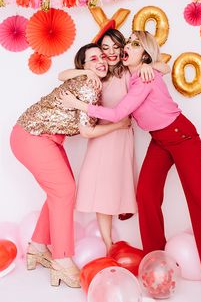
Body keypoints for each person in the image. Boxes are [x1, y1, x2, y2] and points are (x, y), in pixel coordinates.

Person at [59, 31, 201, 300]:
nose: (126, 47)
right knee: (147, 196)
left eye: (134, 45)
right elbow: (158, 65)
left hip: (181, 136)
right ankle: (156, 264)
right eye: (127, 43)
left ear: (144, 54)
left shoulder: (144, 77)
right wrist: (147, 64)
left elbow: (119, 113)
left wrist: (79, 104)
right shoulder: (133, 74)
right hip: (160, 140)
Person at [10, 43, 131, 288]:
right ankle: (62, 260)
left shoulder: (92, 83)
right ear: (83, 66)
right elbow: (86, 131)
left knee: (61, 191)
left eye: (101, 57)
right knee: (64, 191)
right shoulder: (88, 85)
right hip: (32, 136)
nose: (100, 61)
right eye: (92, 58)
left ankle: (38, 246)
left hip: (44, 137)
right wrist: (119, 126)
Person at [58, 27, 170, 252]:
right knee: (102, 191)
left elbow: (165, 67)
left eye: (115, 47)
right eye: (105, 48)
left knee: (117, 187)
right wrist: (86, 73)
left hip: (122, 137)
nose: (110, 52)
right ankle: (108, 243)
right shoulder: (97, 74)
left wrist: (149, 65)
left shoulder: (130, 71)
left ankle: (121, 240)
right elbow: (62, 75)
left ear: (122, 49)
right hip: (102, 138)